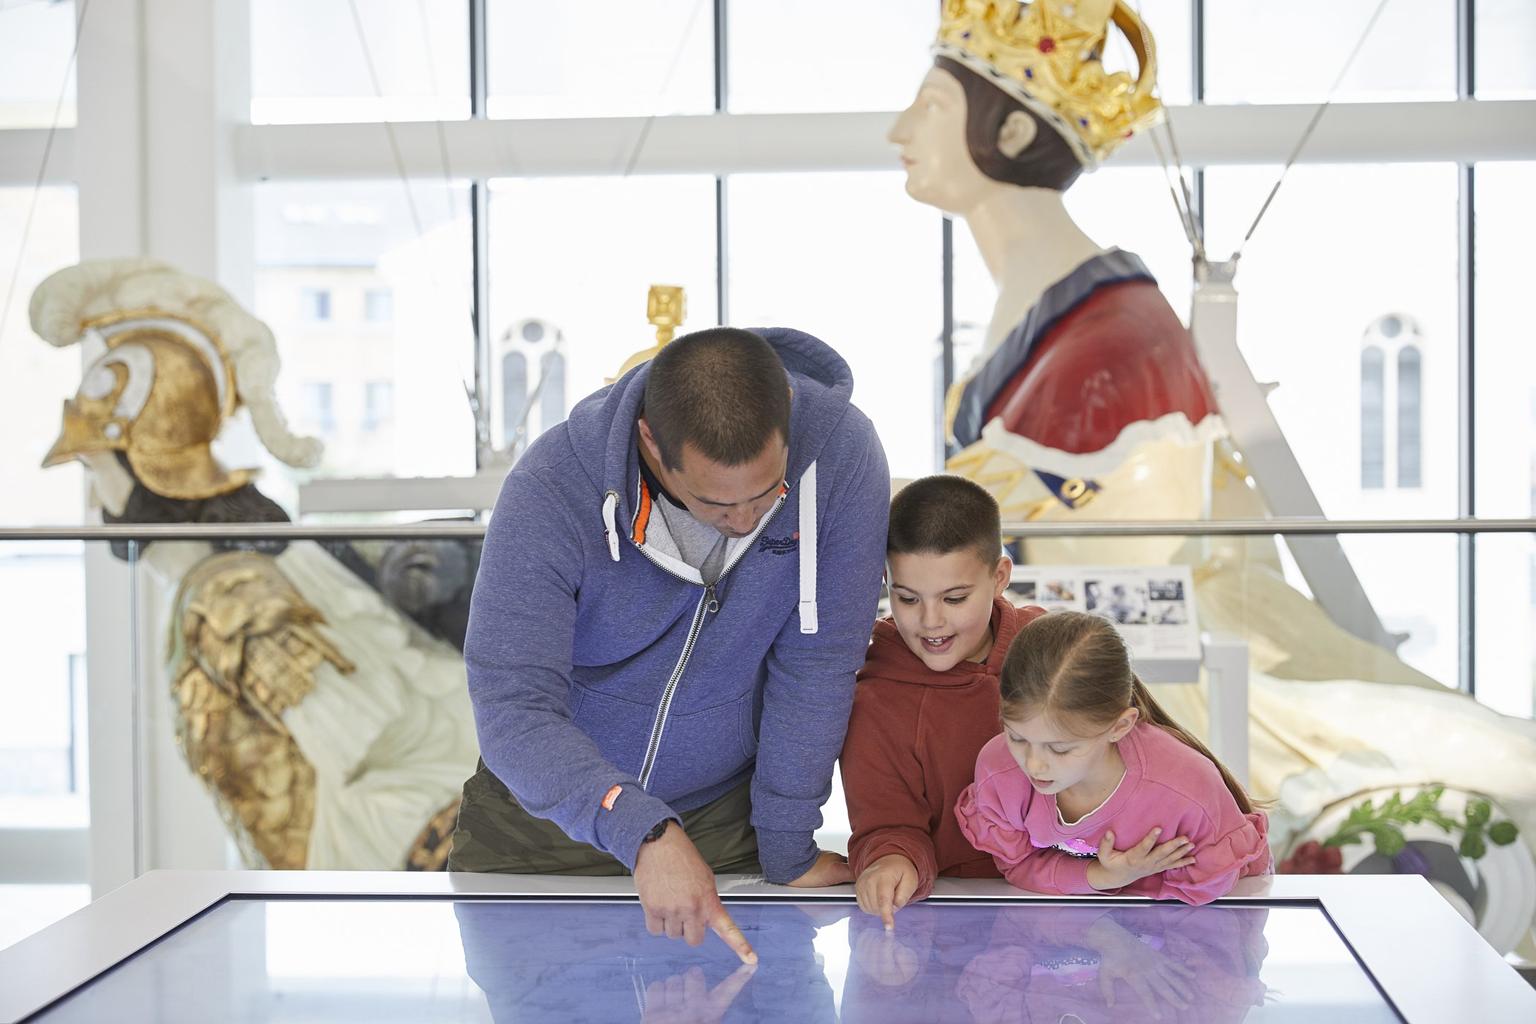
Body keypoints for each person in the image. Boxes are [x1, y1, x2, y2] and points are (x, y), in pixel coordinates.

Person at [450, 326, 890, 963]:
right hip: (541, 818)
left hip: (726, 823)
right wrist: (642, 829)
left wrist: (788, 845)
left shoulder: (844, 456)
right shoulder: (552, 486)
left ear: (787, 415)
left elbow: (819, 664)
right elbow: (513, 702)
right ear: (651, 444)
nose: (745, 520)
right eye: (714, 503)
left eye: (769, 493)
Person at [841, 475, 1045, 928]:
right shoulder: (876, 698)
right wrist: (894, 861)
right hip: (948, 919)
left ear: (1000, 578)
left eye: (954, 598)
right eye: (907, 598)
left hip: (1074, 902)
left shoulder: (1055, 653)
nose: (930, 622)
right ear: (885, 581)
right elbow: (887, 825)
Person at [957, 611, 1270, 905]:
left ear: (1120, 726)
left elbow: (1210, 901)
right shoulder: (999, 772)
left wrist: (1124, 895)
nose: (1034, 764)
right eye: (1017, 737)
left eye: (1061, 749)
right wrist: (1103, 876)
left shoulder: (1185, 794)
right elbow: (1017, 867)